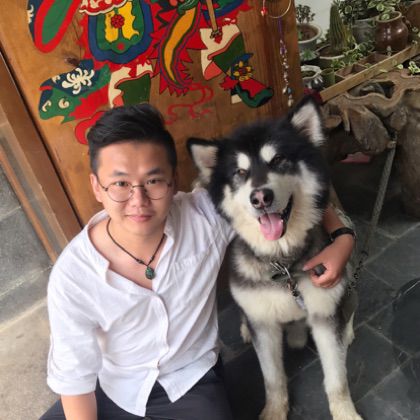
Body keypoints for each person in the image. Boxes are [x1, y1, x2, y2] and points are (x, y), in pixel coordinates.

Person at [40, 104, 355, 420]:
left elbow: (299, 194)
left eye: (153, 180)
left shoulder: (204, 217)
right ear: (97, 186)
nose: (138, 200)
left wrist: (342, 237)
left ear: (174, 180)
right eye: (120, 183)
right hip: (114, 386)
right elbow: (74, 380)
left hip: (188, 382)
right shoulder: (73, 276)